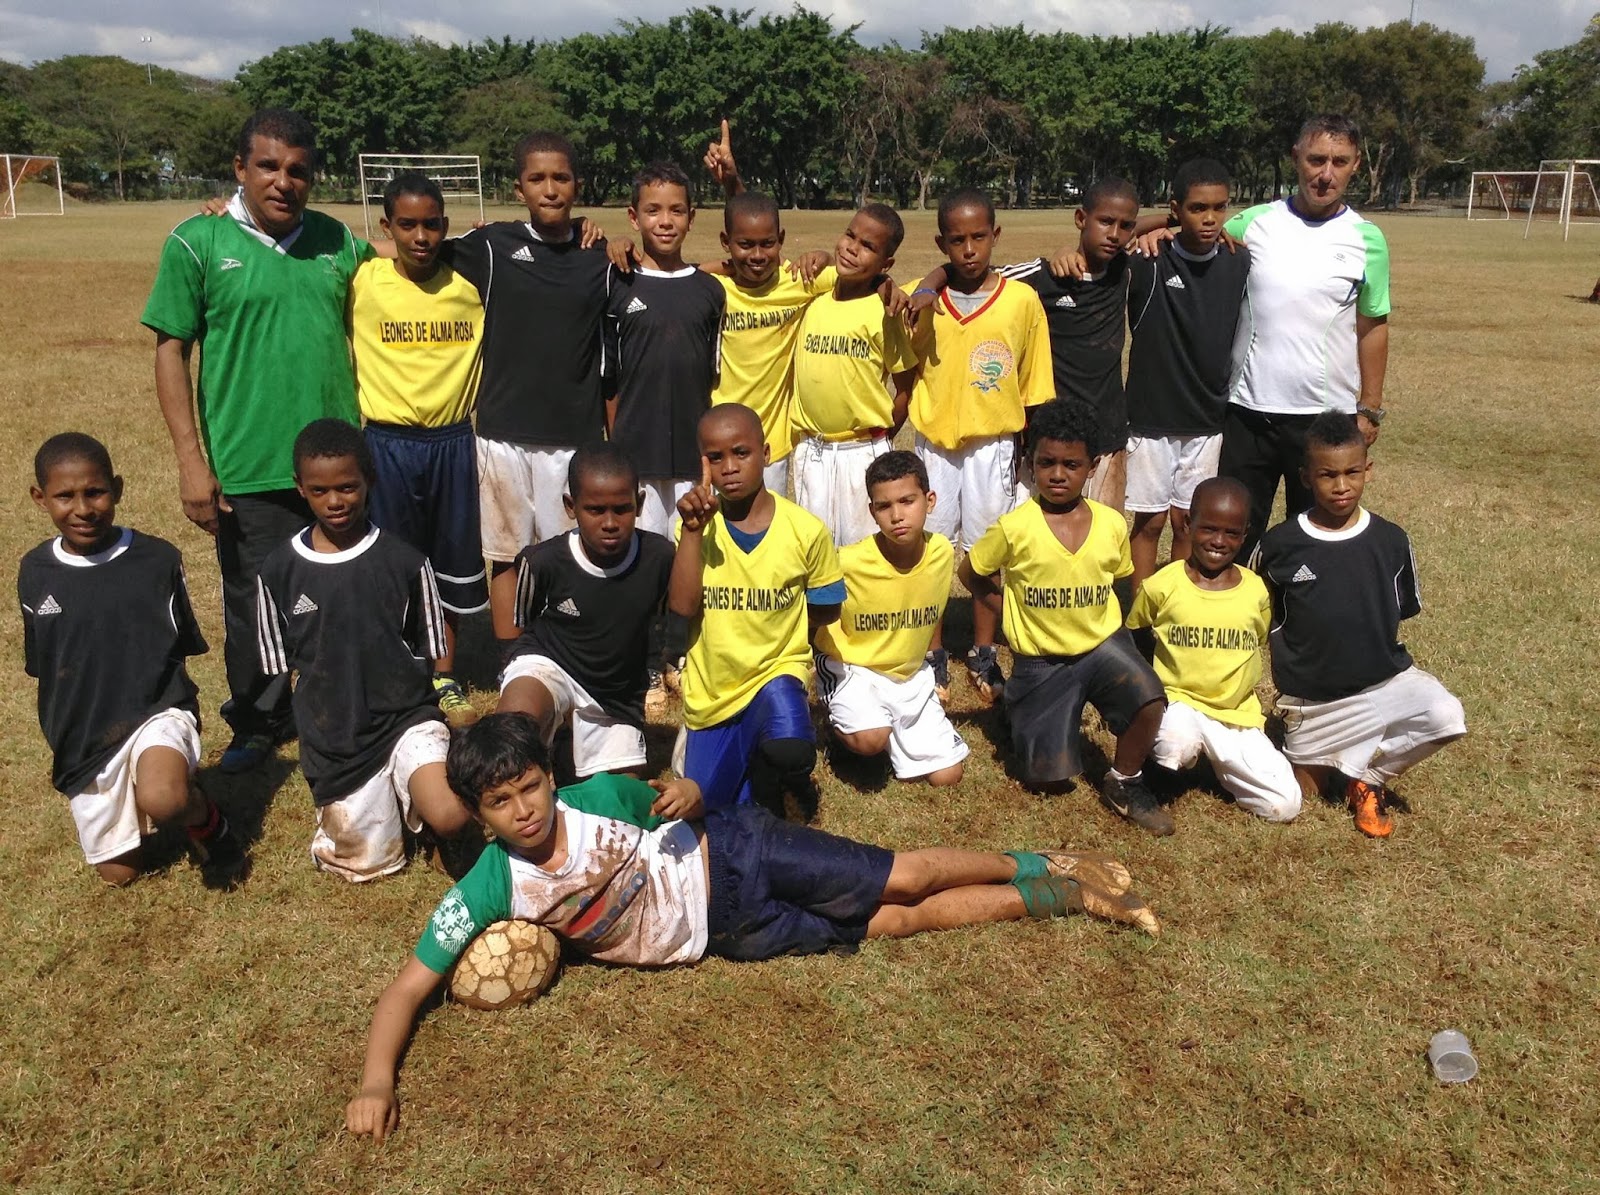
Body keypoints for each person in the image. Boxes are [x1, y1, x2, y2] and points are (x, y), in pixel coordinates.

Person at [343, 711, 1159, 1142]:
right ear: (480, 817)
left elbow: (676, 795)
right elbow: (406, 987)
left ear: (550, 778)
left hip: (741, 855)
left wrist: (691, 795)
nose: (523, 810)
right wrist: (377, 1079)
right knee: (891, 924)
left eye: (529, 788)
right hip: (729, 936)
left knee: (901, 872)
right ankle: (1061, 897)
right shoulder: (491, 885)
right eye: (500, 802)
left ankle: (1037, 857)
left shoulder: (596, 799)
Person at [143, 108, 371, 774]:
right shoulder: (198, 241)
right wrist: (192, 460)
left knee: (344, 585)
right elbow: (170, 350)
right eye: (268, 166)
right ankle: (259, 719)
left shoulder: (338, 241)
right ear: (239, 169)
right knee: (256, 600)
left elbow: (411, 262)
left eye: (298, 170)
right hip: (249, 461)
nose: (283, 181)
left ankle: (342, 700)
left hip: (338, 462)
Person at [20, 433, 245, 886]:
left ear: (117, 489)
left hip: (156, 711)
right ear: (40, 499)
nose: (83, 508)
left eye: (95, 492)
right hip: (84, 736)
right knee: (119, 875)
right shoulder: (34, 571)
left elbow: (178, 649)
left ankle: (206, 821)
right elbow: (46, 665)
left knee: (165, 797)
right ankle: (135, 804)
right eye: (65, 496)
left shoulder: (157, 560)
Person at [255, 420, 473, 881]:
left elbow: (431, 649)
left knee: (452, 815)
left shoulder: (406, 562)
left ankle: (428, 810)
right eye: (319, 491)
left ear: (369, 480)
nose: (335, 501)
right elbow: (284, 668)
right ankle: (369, 811)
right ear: (300, 488)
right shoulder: (277, 571)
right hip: (338, 740)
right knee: (370, 868)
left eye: (348, 487)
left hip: (405, 719)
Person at [1176, 115, 1389, 559]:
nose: (1325, 174)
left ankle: (1298, 626)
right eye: (1315, 159)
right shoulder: (1253, 224)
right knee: (1233, 534)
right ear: (1296, 159)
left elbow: (1372, 326)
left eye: (1339, 161)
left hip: (1322, 417)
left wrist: (1368, 408)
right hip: (1246, 414)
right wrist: (1154, 226)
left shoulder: (1367, 239)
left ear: (1355, 165)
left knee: (1314, 543)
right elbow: (1193, 232)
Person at [961, 399, 1172, 836]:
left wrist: (1123, 642)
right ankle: (1015, 705)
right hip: (1042, 661)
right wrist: (1006, 610)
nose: (1058, 474)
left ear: (1092, 467)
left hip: (1100, 645)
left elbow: (1121, 582)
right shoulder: (1015, 527)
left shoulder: (1112, 525)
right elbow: (972, 572)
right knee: (1048, 778)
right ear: (1030, 464)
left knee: (1149, 698)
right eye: (1047, 463)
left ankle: (1125, 780)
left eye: (1071, 464)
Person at [442, 132, 615, 662]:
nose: (550, 188)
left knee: (571, 553)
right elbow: (411, 249)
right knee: (509, 556)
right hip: (504, 434)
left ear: (576, 185)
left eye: (560, 177)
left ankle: (568, 649)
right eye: (537, 178)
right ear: (519, 188)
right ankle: (511, 655)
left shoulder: (599, 257)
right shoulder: (493, 246)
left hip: (573, 436)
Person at [1252, 412, 1465, 838]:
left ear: (1368, 469)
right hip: (1313, 703)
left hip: (1383, 685)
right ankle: (1330, 757)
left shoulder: (1391, 541)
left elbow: (1397, 614)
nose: (1342, 485)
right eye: (1328, 475)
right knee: (1303, 796)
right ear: (1306, 476)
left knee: (1446, 716)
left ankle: (1368, 778)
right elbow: (1251, 610)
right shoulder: (1279, 546)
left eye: (1352, 472)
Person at [349, 171, 487, 726]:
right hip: (386, 443)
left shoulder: (472, 283)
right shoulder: (362, 280)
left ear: (446, 227)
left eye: (432, 224)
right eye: (406, 225)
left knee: (448, 563)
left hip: (452, 442)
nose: (421, 236)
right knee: (391, 562)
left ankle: (445, 674)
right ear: (387, 227)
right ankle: (395, 670)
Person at [906, 188, 1053, 704]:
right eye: (956, 240)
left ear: (996, 236)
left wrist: (1031, 448)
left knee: (988, 555)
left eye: (978, 237)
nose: (968, 249)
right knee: (931, 552)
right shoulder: (920, 299)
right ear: (941, 242)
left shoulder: (1021, 301)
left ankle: (984, 651)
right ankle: (931, 652)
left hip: (995, 445)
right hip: (937, 446)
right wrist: (925, 285)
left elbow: (1034, 385)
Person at [669, 404, 843, 818]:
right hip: (714, 688)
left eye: (741, 452)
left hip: (774, 673)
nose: (729, 467)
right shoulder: (694, 526)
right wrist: (692, 532)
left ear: (766, 453)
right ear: (703, 463)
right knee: (710, 811)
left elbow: (826, 608)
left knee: (790, 746)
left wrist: (779, 636)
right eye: (716, 457)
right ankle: (737, 759)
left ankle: (778, 766)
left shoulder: (805, 530)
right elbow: (682, 607)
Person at [1125, 478, 1300, 824]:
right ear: (1188, 525)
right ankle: (1161, 769)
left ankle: (1218, 764)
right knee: (1175, 742)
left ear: (1246, 533)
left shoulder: (1255, 590)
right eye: (1208, 529)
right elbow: (1137, 633)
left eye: (1232, 533)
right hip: (1178, 702)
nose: (1219, 541)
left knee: (1285, 805)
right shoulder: (1162, 584)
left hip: (1235, 714)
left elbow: (1259, 636)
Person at [497, 443, 674, 779]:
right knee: (515, 729)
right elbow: (524, 628)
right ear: (570, 506)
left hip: (614, 696)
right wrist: (518, 677)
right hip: (550, 664)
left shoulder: (660, 558)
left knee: (618, 804)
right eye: (595, 510)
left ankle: (568, 741)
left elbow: (672, 617)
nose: (609, 522)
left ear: (639, 504)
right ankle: (551, 732)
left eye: (621, 509)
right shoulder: (543, 562)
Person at [1124, 161, 1252, 591]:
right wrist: (1164, 224)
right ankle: (1140, 613)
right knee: (1149, 523)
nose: (1211, 218)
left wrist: (1182, 219)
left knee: (1185, 523)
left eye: (1220, 208)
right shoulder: (1150, 259)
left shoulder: (1238, 262)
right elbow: (1116, 233)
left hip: (1206, 421)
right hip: (1151, 418)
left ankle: (1173, 605)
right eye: (1197, 208)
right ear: (1177, 209)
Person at [813, 452, 967, 786]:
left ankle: (892, 728)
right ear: (872, 511)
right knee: (870, 738)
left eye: (907, 501)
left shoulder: (941, 553)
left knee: (948, 775)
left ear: (930, 501)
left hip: (909, 674)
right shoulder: (848, 562)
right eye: (884, 506)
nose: (897, 515)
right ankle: (841, 729)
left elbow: (932, 607)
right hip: (854, 668)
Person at [995, 178, 1139, 513]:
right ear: (1080, 218)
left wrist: (1168, 222)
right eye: (1105, 222)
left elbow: (1145, 226)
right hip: (1050, 436)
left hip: (1107, 434)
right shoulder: (1044, 277)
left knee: (1103, 537)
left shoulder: (1122, 269)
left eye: (1126, 226)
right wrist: (928, 287)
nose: (1115, 234)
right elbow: (977, 280)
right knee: (1042, 537)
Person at [605, 161, 727, 536]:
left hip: (694, 459)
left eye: (676, 211)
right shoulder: (617, 285)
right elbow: (610, 381)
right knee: (644, 559)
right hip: (637, 456)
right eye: (652, 210)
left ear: (691, 217)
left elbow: (711, 378)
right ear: (633, 217)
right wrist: (618, 451)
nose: (665, 221)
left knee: (691, 558)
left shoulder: (710, 291)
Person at [790, 204, 919, 546]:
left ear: (885, 265)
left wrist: (879, 437)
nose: (851, 247)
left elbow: (905, 387)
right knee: (813, 548)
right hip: (811, 449)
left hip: (861, 450)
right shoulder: (812, 298)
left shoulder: (886, 312)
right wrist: (817, 256)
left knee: (863, 549)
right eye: (850, 235)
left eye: (868, 246)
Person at [708, 188, 835, 497]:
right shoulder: (711, 288)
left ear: (781, 238)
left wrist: (825, 256)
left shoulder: (798, 280)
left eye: (767, 244)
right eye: (745, 245)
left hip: (770, 444)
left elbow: (858, 273)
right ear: (726, 242)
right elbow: (673, 274)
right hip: (715, 441)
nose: (757, 255)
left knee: (764, 532)